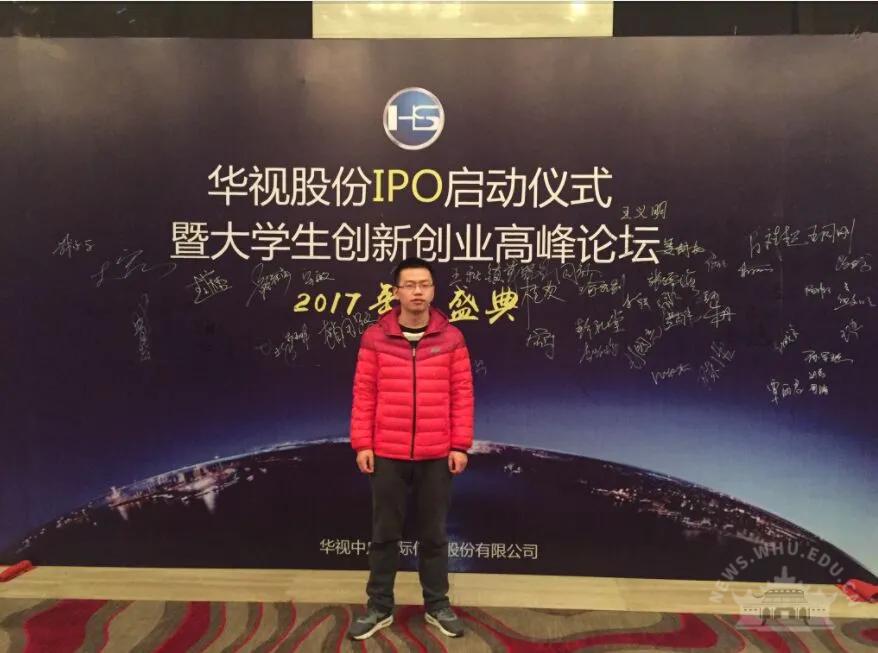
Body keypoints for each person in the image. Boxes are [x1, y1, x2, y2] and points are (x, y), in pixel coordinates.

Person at [347, 257, 474, 641]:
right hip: (387, 452)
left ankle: (437, 605)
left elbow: (462, 395)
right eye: (410, 285)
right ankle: (378, 607)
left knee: (433, 535)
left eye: (424, 284)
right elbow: (364, 393)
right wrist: (363, 443)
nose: (417, 291)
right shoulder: (375, 338)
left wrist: (460, 445)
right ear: (396, 292)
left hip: (437, 454)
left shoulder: (451, 338)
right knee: (384, 533)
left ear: (433, 290)